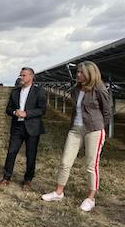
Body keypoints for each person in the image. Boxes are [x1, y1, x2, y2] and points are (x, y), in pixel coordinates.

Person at [42, 61, 111, 212]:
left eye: (81, 72)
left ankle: (90, 198)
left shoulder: (99, 88)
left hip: (93, 130)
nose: (78, 75)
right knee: (65, 161)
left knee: (91, 166)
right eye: (77, 72)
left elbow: (107, 112)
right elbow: (75, 110)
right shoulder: (76, 89)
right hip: (76, 129)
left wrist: (99, 127)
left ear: (90, 74)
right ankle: (58, 192)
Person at [0, 67, 47, 191]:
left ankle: (28, 179)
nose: (21, 77)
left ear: (31, 77)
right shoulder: (15, 92)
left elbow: (42, 110)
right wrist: (15, 112)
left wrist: (27, 113)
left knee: (31, 154)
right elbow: (8, 109)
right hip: (17, 127)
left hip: (32, 127)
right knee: (11, 152)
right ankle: (7, 176)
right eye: (21, 75)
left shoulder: (39, 91)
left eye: (24, 75)